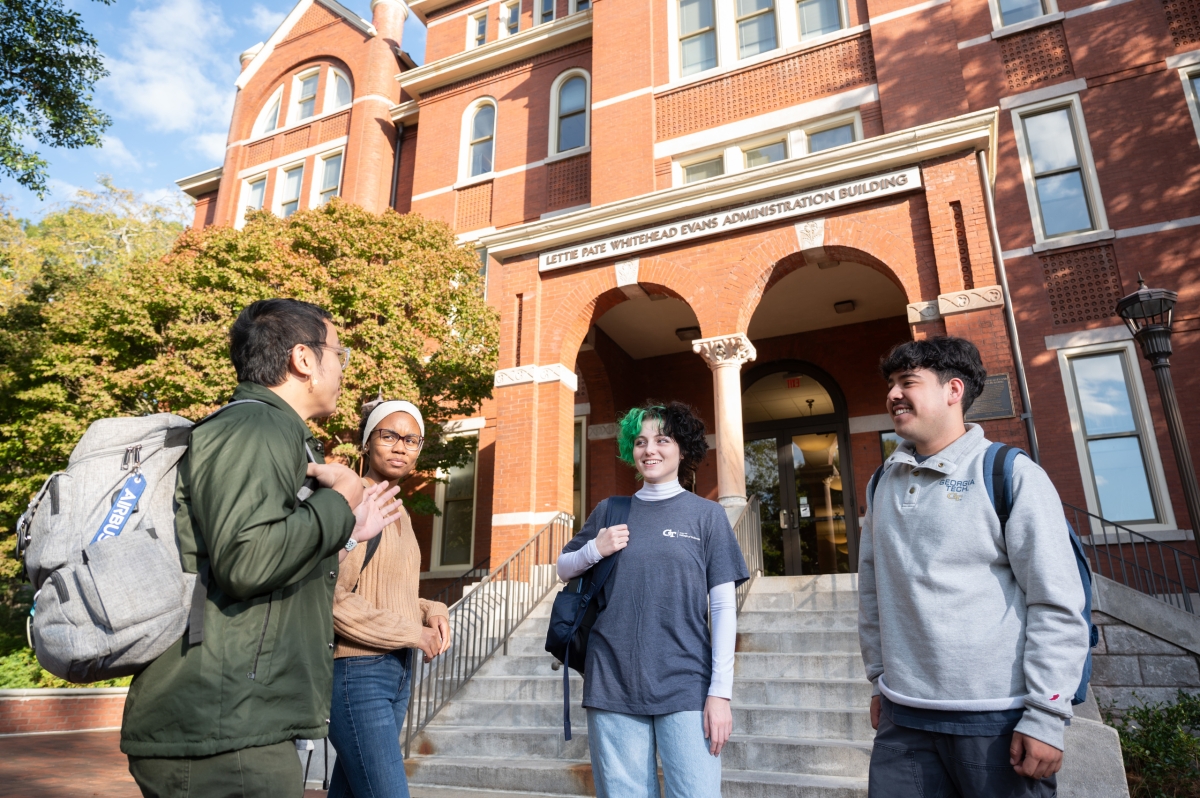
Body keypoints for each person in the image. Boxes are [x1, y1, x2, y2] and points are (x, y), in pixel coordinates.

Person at [122, 299, 403, 798]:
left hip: (239, 723)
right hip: (222, 730)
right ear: (303, 359)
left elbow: (263, 557)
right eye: (339, 353)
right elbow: (247, 560)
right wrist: (339, 500)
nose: (343, 367)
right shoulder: (255, 427)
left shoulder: (274, 432)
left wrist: (346, 531)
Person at [858, 336, 1090, 797]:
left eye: (908, 382)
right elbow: (873, 591)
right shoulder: (881, 480)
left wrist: (1047, 714)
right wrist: (878, 679)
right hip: (904, 718)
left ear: (953, 390)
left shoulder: (1009, 474)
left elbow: (1057, 601)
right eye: (890, 384)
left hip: (996, 720)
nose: (892, 395)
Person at [557, 401, 749, 798]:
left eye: (662, 440)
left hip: (687, 682)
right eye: (641, 441)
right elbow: (564, 566)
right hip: (612, 679)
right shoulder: (611, 511)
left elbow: (723, 609)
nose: (650, 450)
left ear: (682, 449)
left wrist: (720, 693)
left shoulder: (707, 517)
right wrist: (596, 548)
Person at [326, 398, 453, 798]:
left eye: (411, 439)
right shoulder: (353, 501)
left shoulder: (399, 512)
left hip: (396, 672)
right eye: (389, 435)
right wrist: (411, 633)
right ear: (366, 443)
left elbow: (389, 591)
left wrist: (431, 608)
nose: (401, 446)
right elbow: (330, 595)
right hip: (356, 674)